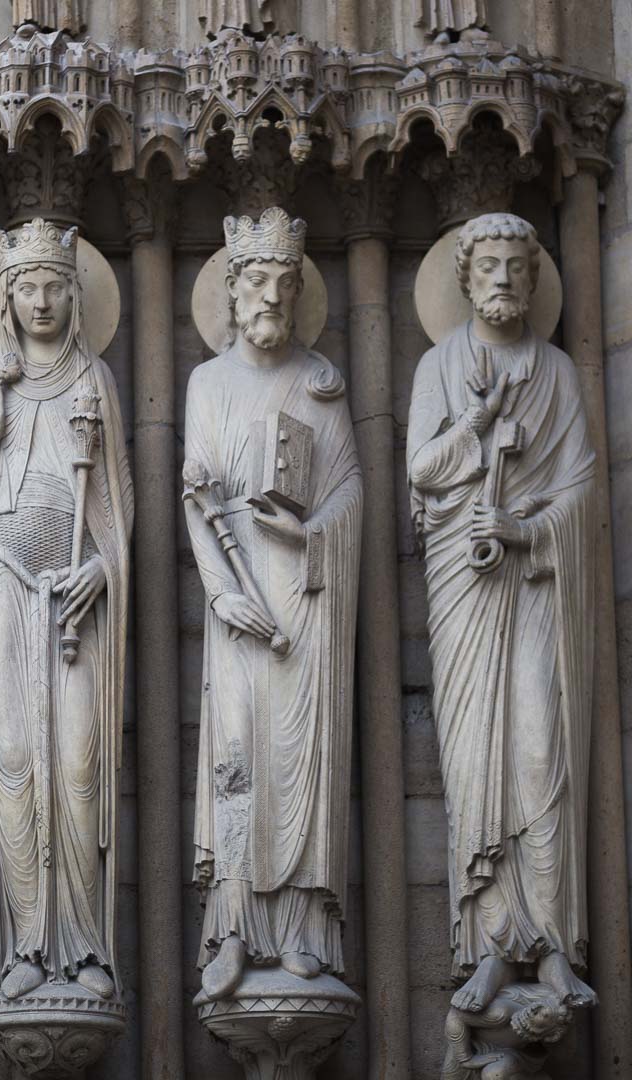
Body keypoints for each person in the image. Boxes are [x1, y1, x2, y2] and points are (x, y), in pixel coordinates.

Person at [408, 212, 598, 1013]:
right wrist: (479, 424)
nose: (502, 280)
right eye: (488, 265)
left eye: (518, 267)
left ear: (534, 278)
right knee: (476, 759)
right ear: (463, 276)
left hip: (534, 582)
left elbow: (584, 490)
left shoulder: (557, 372)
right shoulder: (439, 368)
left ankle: (551, 945)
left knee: (537, 752)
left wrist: (526, 529)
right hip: (465, 587)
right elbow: (421, 472)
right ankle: (488, 942)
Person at [0, 219, 133, 1003]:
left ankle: (85, 948)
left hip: (74, 595)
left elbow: (120, 507)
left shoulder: (96, 385)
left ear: (76, 294)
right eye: (27, 287)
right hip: (4, 580)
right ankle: (26, 944)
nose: (43, 300)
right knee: (14, 761)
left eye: (57, 286)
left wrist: (104, 567)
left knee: (80, 761)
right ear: (6, 299)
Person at [185, 207, 362, 1000]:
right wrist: (222, 595)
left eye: (284, 284)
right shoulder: (206, 384)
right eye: (256, 280)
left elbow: (352, 493)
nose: (270, 297)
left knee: (298, 763)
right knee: (239, 755)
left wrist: (307, 533)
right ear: (231, 289)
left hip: (307, 602)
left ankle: (300, 929)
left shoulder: (322, 385)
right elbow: (196, 496)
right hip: (242, 610)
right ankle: (232, 930)